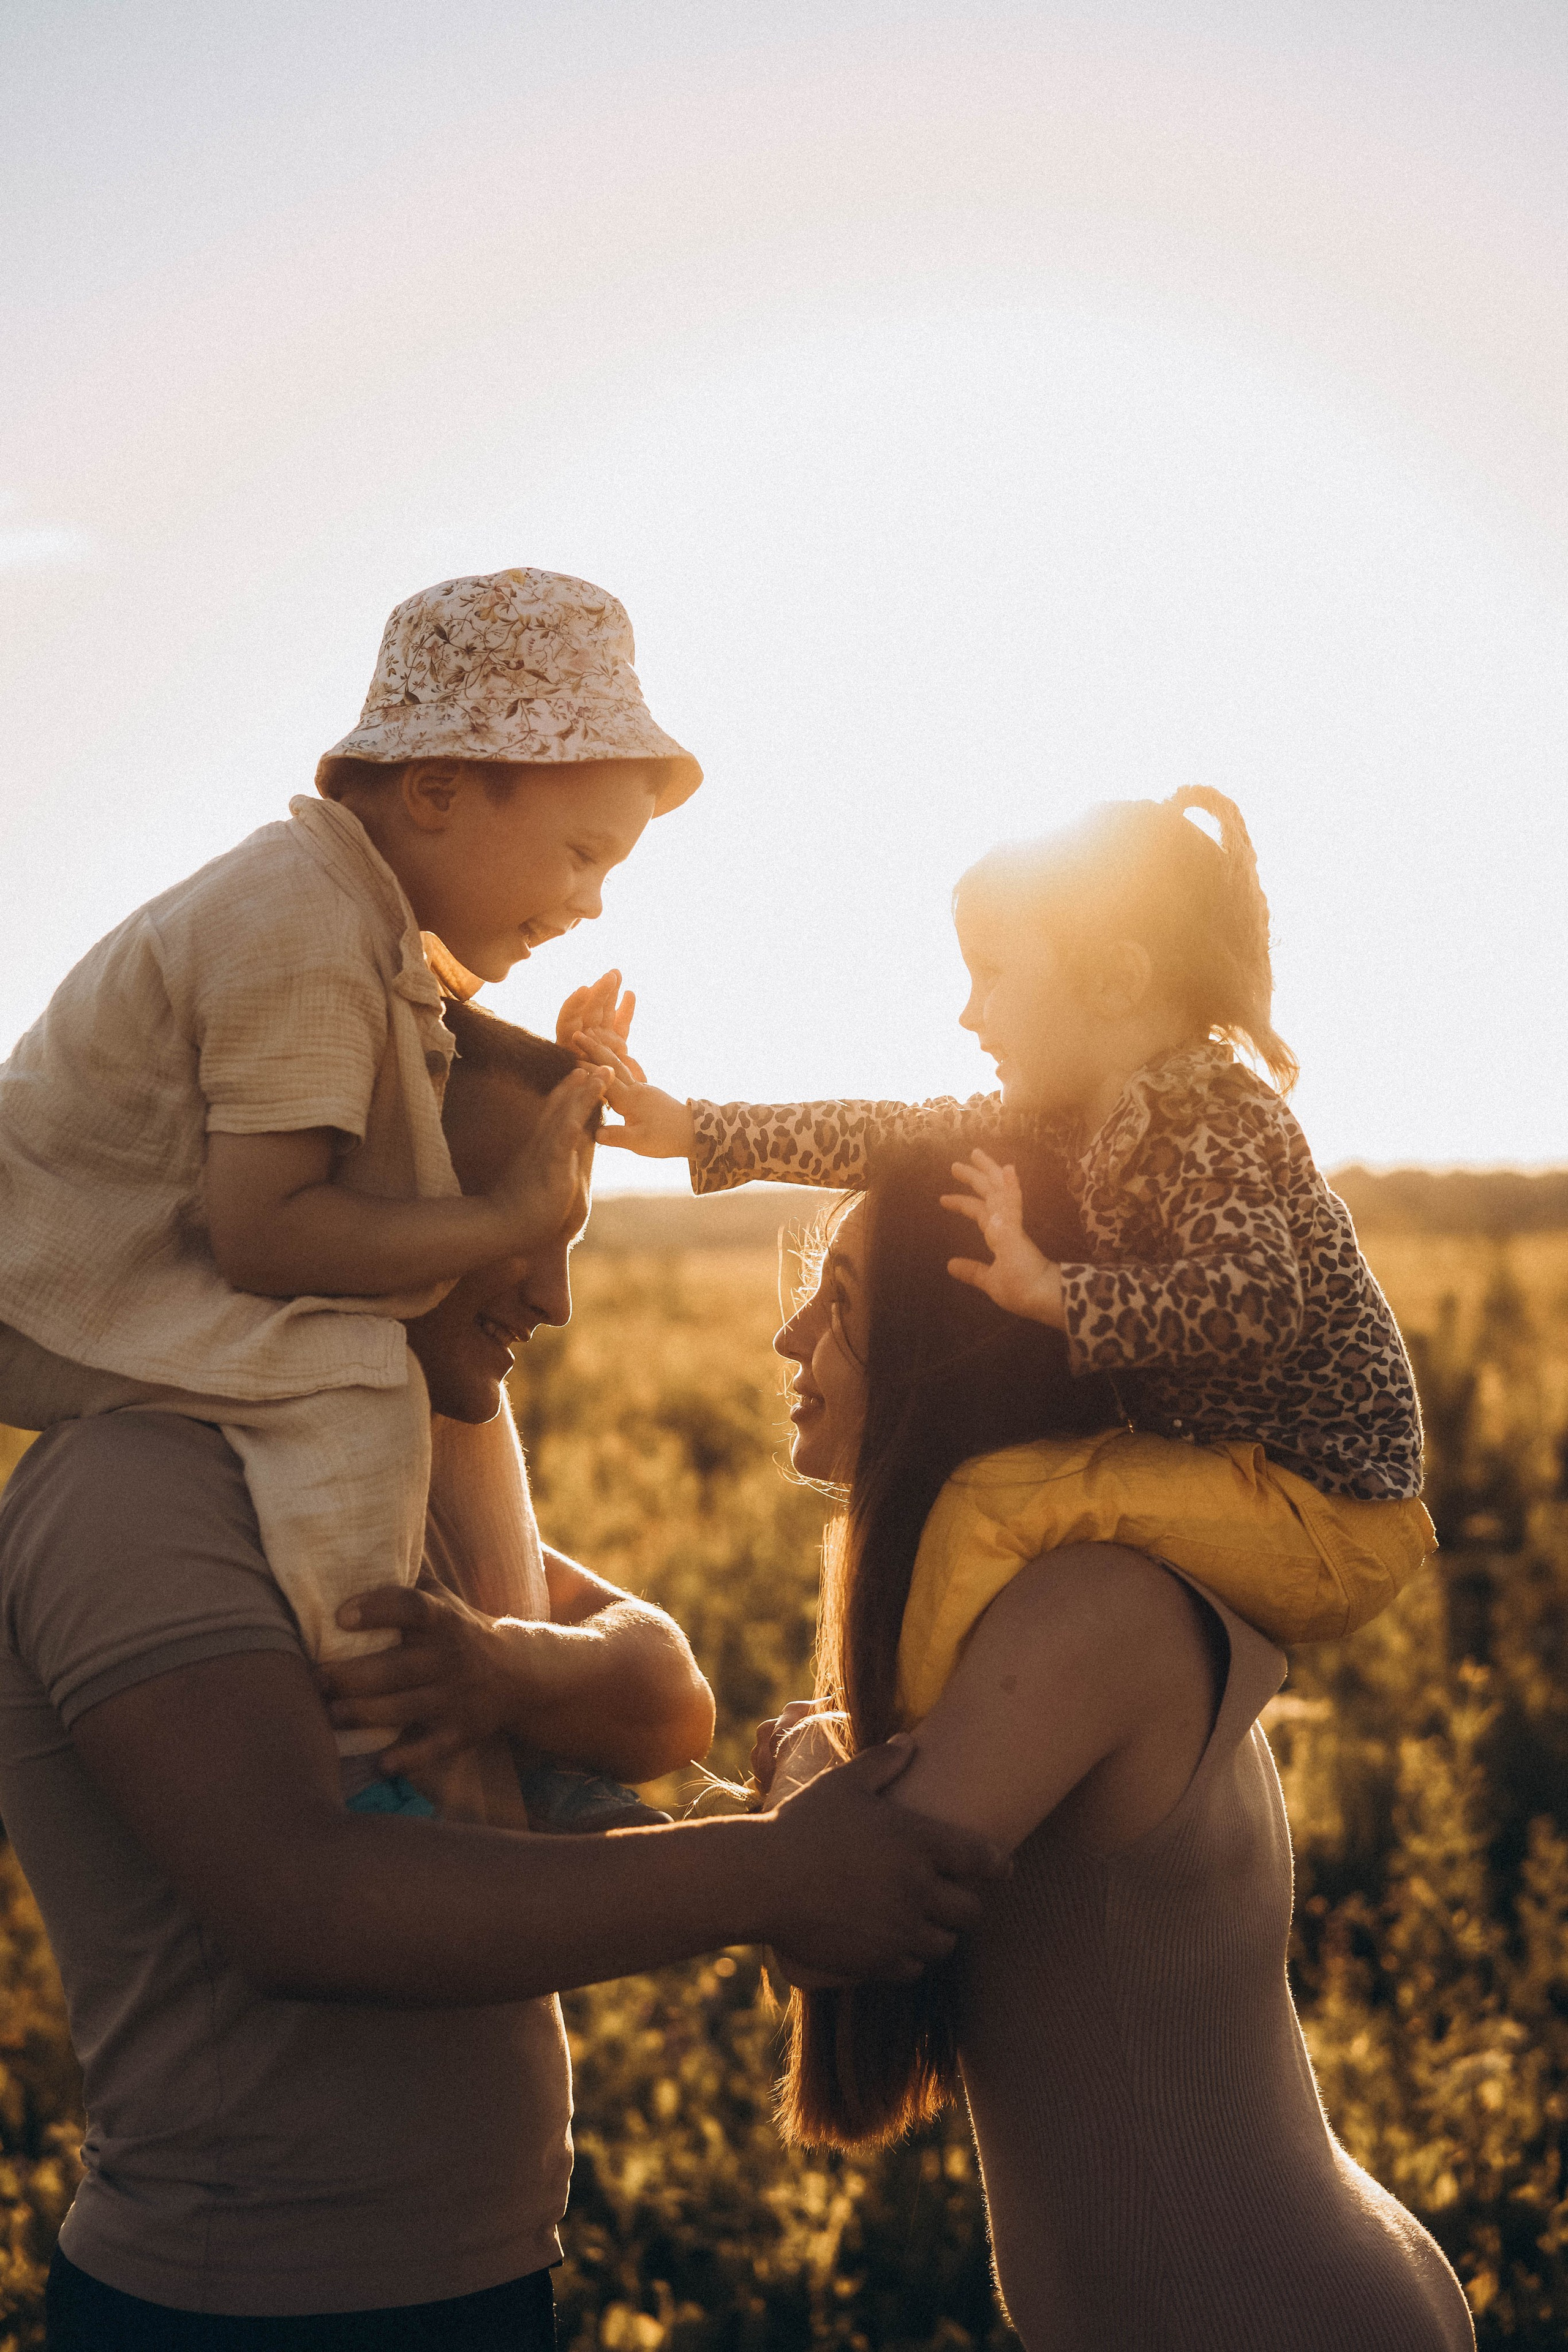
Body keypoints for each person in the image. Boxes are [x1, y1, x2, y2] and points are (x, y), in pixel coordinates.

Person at [0, 1005, 1003, 2351]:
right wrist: (775, 1874)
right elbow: (303, 1906)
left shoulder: (352, 1480)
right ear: (353, 1210)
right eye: (514, 1230)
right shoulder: (137, 1487)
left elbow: (666, 1694)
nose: (553, 1296)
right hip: (245, 2306)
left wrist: (510, 1671)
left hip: (471, 2282)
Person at [753, 1139, 1475, 2352]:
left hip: (1283, 2316)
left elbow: (827, 1909)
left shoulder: (1087, 1609)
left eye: (837, 1307)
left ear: (950, 1352)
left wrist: (800, 1764)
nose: (788, 1344)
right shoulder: (1017, 1625)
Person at [0, 568, 690, 1760]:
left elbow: (420, 1037)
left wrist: (561, 1066)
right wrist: (502, 1212)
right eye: (581, 855)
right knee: (362, 1378)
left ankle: (461, 1728)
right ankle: (378, 1726)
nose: (590, 902)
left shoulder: (332, 908)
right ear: (434, 790)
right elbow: (268, 1236)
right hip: (44, 1284)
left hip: (72, 1271)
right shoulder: (299, 923)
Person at [575, 787, 1434, 1708]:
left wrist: (1058, 1293)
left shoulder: (1210, 1113)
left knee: (992, 1500)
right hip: (1250, 1480)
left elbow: (1256, 1303)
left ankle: (903, 1748)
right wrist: (699, 1130)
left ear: (1114, 981)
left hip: (1329, 1510)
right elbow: (898, 1134)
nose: (970, 1015)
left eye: (992, 975)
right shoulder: (1070, 1119)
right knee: (1011, 1488)